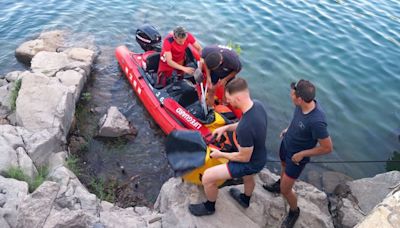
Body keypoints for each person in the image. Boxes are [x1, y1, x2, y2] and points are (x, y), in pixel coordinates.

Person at [188, 77, 268, 216]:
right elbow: (243, 124)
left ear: (237, 98)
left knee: (208, 177)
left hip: (250, 161)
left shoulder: (245, 127)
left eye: (229, 99)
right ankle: (245, 199)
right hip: (260, 155)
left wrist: (220, 154)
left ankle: (209, 207)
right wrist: (226, 128)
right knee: (248, 177)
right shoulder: (257, 105)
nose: (227, 101)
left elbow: (243, 157)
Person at [263, 79, 333, 228]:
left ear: (300, 99)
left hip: (297, 158)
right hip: (286, 145)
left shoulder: (317, 121)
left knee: (286, 189)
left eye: (292, 94)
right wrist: (288, 130)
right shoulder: (300, 105)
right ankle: (279, 184)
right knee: (282, 165)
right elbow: (297, 120)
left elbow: (327, 147)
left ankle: (294, 211)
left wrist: (302, 154)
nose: (290, 95)